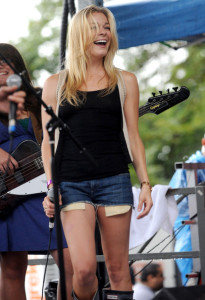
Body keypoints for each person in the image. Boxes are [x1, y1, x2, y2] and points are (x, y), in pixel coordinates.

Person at [42, 5, 152, 300]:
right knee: (85, 270)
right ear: (79, 34)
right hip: (71, 185)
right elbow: (46, 144)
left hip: (114, 180)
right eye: (95, 27)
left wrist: (145, 184)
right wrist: (51, 187)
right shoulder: (55, 84)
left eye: (106, 27)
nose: (103, 32)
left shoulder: (125, 81)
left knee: (118, 270)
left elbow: (134, 137)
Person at [0, 43, 73, 300]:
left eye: (2, 65)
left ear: (16, 67)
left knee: (69, 263)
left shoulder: (39, 99)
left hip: (42, 191)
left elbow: (56, 143)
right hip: (5, 196)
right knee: (12, 268)